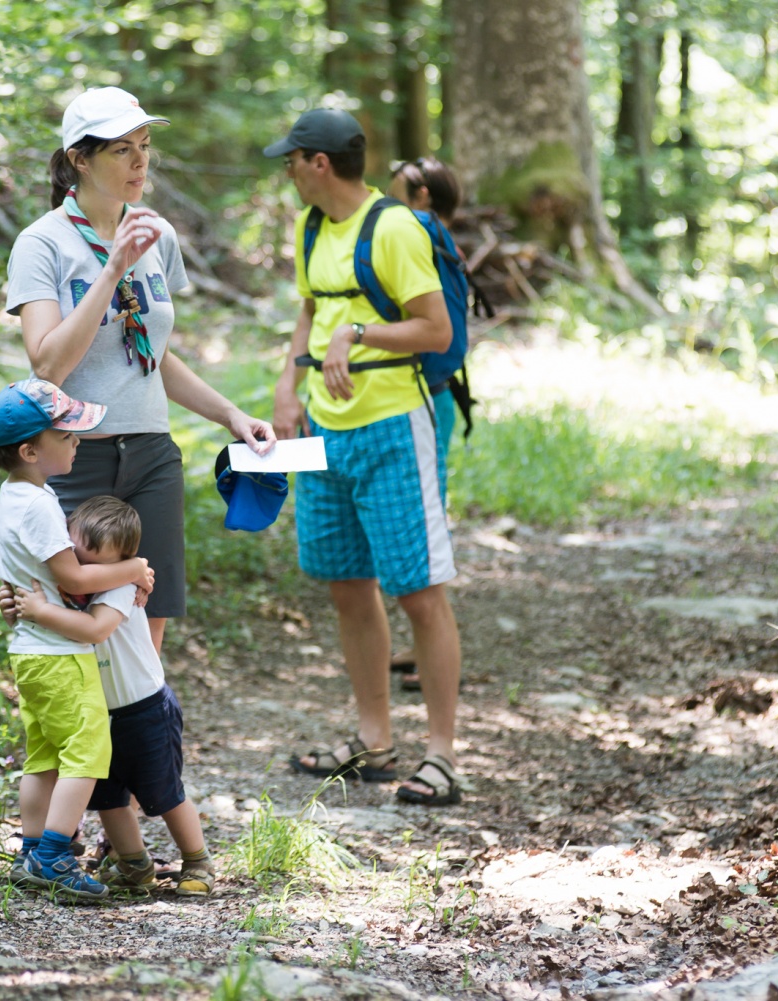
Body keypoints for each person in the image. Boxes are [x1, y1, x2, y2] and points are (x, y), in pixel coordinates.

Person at [5, 85, 274, 656]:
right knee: (75, 625)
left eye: (145, 146)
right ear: (80, 159)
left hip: (152, 454)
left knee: (147, 629)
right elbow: (47, 364)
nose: (140, 161)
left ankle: (147, 719)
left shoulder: (158, 233)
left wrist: (231, 415)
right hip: (75, 457)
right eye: (122, 149)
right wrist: (111, 272)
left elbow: (153, 354)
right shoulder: (42, 244)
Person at [265, 108, 464, 806]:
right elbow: (309, 311)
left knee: (419, 591)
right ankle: (374, 741)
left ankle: (442, 756)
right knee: (347, 584)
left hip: (392, 426)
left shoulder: (395, 228)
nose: (288, 171)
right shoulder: (310, 226)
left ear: (319, 163)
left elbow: (436, 330)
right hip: (324, 427)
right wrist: (288, 385)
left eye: (292, 160)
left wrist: (359, 330)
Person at [0, 378, 156, 903]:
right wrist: (135, 567)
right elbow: (74, 578)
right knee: (88, 752)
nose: (77, 441)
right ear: (30, 451)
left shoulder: (16, 495)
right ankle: (55, 857)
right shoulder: (38, 506)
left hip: (31, 653)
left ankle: (32, 849)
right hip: (60, 653)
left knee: (44, 757)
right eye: (66, 435)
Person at [8, 496, 215, 897]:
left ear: (121, 562)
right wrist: (17, 605)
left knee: (164, 793)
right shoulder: (63, 585)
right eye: (77, 558)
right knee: (108, 797)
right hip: (101, 711)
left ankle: (197, 860)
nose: (83, 572)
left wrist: (41, 611)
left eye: (95, 564)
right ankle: (135, 864)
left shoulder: (121, 586)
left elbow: (95, 629)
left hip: (145, 709)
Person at [386, 156, 468, 691]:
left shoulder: (415, 229)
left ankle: (429, 653)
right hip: (438, 394)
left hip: (422, 397)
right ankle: (421, 646)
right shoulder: (441, 237)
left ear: (421, 196)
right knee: (428, 515)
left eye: (395, 191)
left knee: (424, 525)